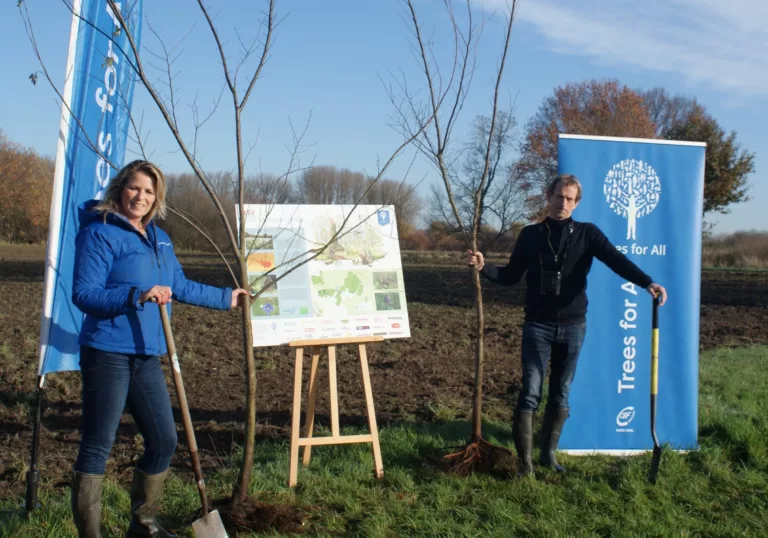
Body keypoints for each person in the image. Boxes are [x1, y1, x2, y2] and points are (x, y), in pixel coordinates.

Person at [70, 160, 249, 538]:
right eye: (135, 188)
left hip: (146, 354)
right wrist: (137, 295)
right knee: (99, 443)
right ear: (121, 188)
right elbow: (84, 294)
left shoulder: (159, 238)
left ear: (157, 198)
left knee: (164, 439)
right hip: (107, 351)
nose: (141, 196)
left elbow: (179, 285)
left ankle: (143, 526)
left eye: (149, 191)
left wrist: (227, 299)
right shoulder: (100, 234)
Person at [467, 174, 667, 477]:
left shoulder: (587, 234)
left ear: (576, 203)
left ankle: (548, 455)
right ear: (548, 196)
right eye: (559, 196)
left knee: (560, 392)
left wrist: (647, 282)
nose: (564, 203)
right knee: (531, 392)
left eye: (570, 198)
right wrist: (484, 268)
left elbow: (617, 260)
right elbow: (510, 276)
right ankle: (526, 465)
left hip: (574, 326)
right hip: (538, 325)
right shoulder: (531, 234)